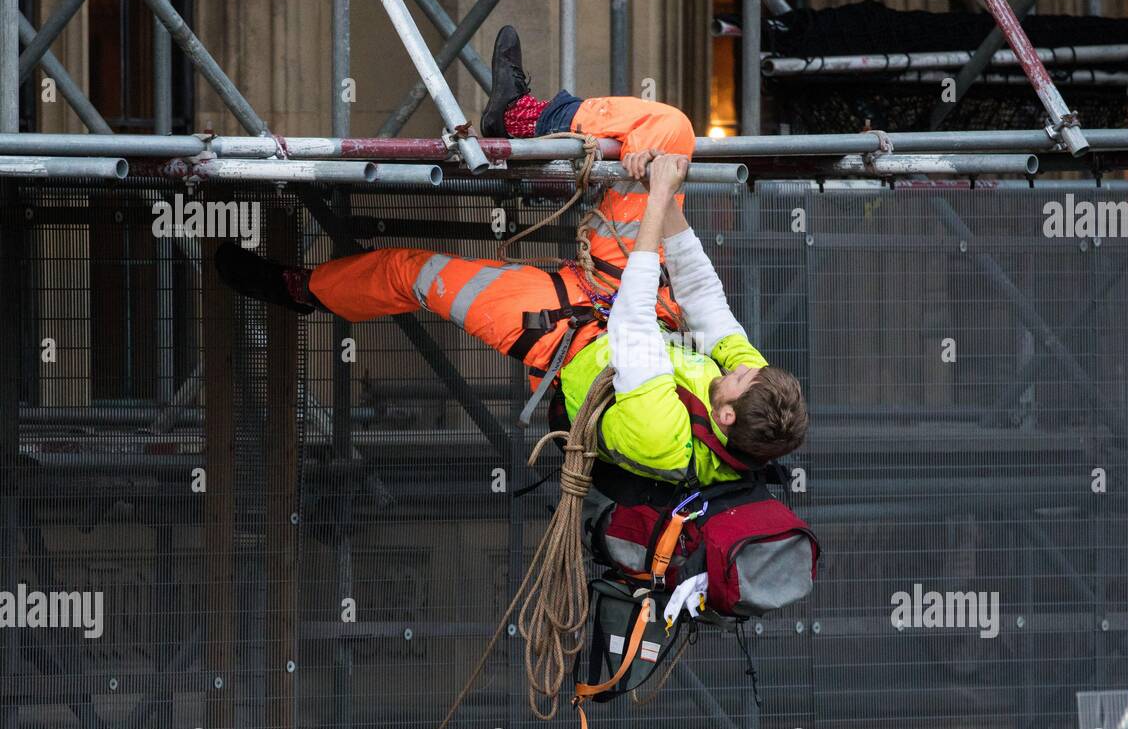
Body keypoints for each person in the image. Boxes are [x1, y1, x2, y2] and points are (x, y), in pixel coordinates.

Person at [214, 31, 807, 488]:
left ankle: (299, 288)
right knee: (670, 128)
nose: (738, 367)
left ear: (723, 417)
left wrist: (656, 200)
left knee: (408, 273)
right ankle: (524, 116)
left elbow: (633, 328)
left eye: (734, 378)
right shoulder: (751, 389)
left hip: (565, 334)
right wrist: (665, 179)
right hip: (636, 296)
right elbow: (701, 296)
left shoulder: (664, 436)